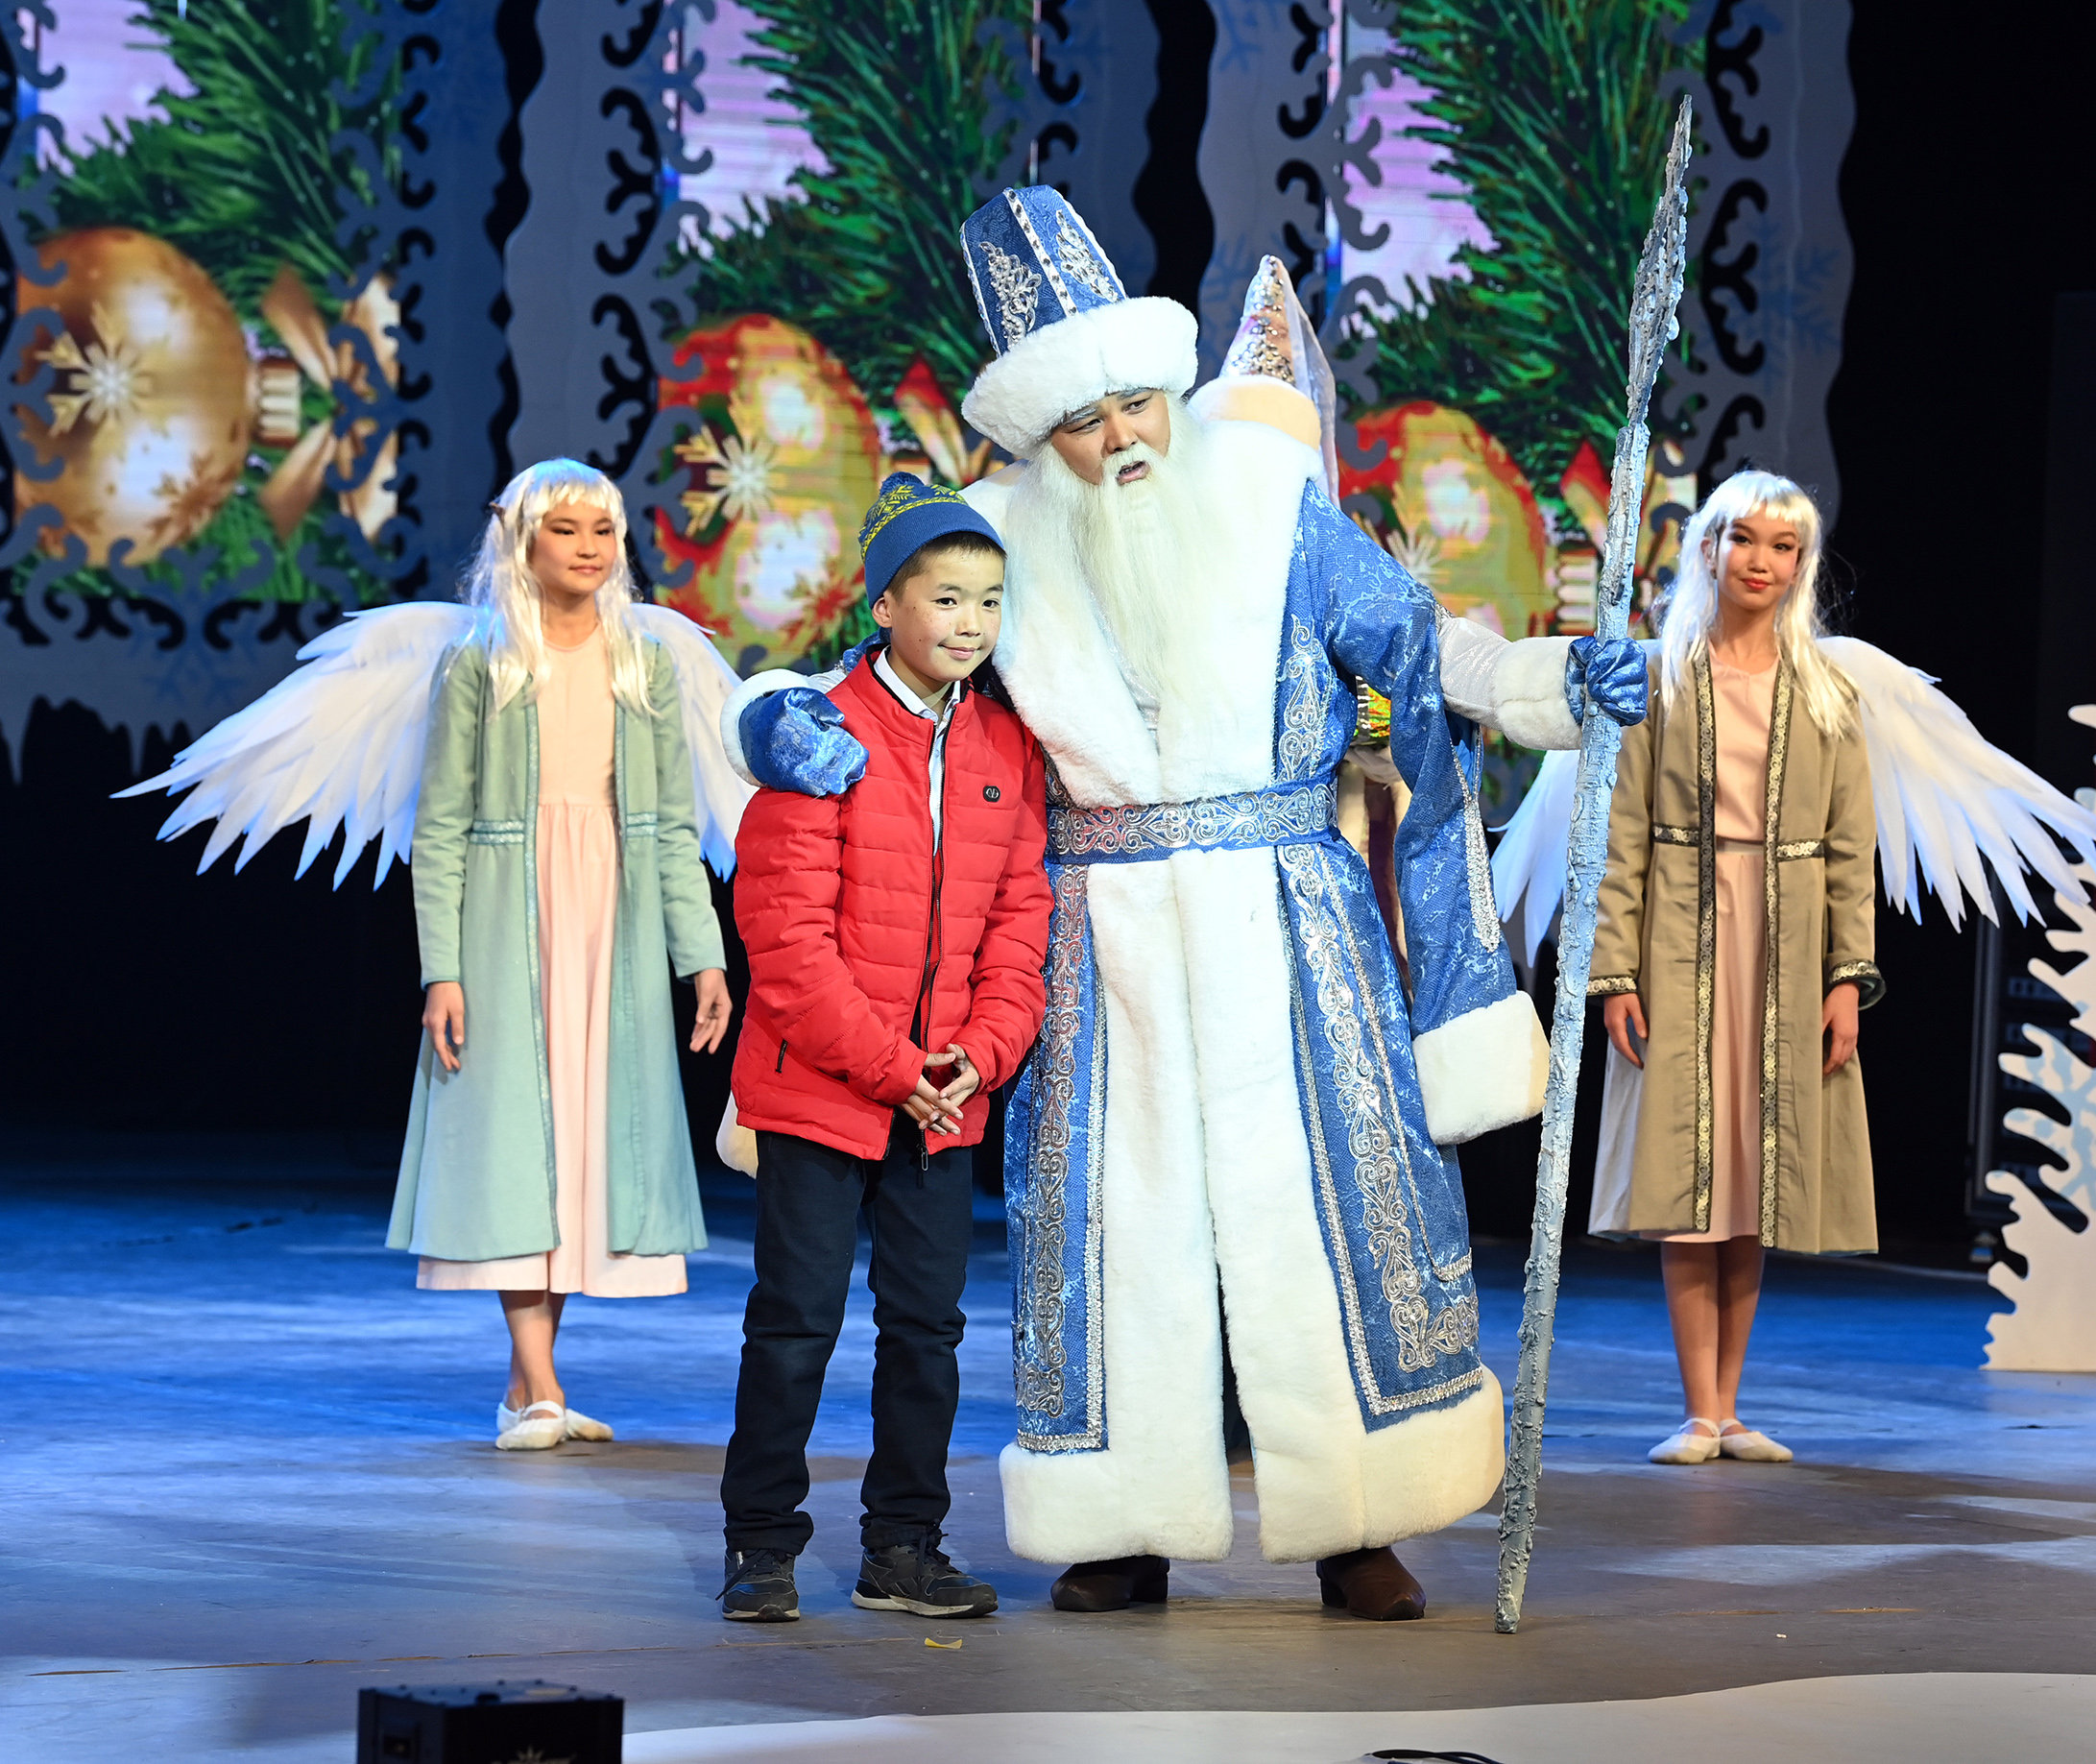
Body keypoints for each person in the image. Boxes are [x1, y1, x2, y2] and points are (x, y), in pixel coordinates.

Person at [733, 185, 1650, 1621]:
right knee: (1118, 1226)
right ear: (1038, 435)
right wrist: (769, 718)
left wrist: (1557, 681)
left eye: (1135, 404)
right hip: (1097, 938)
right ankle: (1121, 1518)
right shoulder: (997, 542)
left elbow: (1424, 653)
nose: (1119, 439)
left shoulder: (1273, 503)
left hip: (1290, 922)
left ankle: (1359, 1517)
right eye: (1082, 421)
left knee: (1317, 1209)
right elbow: (879, 667)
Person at [714, 476, 1052, 1623]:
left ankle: (903, 1547)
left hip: (944, 1099)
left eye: (990, 601)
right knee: (796, 1323)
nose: (972, 622)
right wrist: (898, 1071)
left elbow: (1021, 921)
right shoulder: (818, 736)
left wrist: (981, 1055)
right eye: (948, 598)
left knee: (926, 1332)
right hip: (824, 1089)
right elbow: (786, 945)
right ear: (888, 605)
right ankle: (761, 1544)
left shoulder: (1006, 741)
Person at [395, 460, 735, 1450]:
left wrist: (701, 957)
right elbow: (439, 827)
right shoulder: (482, 664)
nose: (588, 547)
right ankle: (540, 1383)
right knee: (515, 1142)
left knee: (585, 1146)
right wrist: (443, 968)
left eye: (602, 529)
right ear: (523, 541)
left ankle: (528, 1387)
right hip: (509, 919)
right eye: (565, 529)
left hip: (611, 923)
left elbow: (671, 827)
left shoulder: (643, 663)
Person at [1589, 471, 1880, 1466]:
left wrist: (1845, 978)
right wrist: (1616, 971)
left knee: (1754, 1175)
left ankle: (1733, 1405)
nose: (1762, 560)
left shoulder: (1827, 692)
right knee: (1690, 1165)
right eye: (1744, 539)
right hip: (1682, 932)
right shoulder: (1658, 680)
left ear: (1801, 565)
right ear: (1707, 548)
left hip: (1785, 940)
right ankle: (1698, 1410)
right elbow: (1622, 835)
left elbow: (1849, 848)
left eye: (1783, 546)